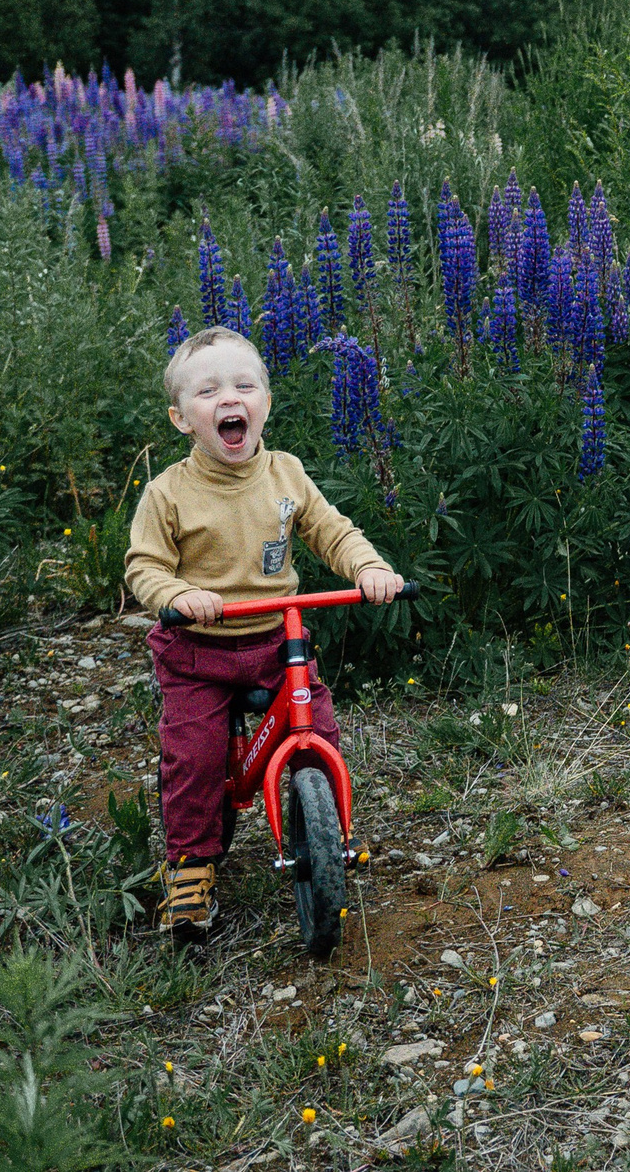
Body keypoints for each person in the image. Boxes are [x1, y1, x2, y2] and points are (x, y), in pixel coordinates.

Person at [125, 325, 407, 943]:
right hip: (198, 648)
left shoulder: (285, 473)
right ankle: (192, 864)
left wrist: (367, 568)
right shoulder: (168, 493)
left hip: (278, 641)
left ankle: (328, 826)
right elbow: (144, 566)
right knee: (195, 756)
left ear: (265, 405)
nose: (230, 397)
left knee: (318, 724)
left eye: (244, 385)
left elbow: (330, 530)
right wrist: (178, 595)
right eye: (208, 391)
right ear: (181, 419)